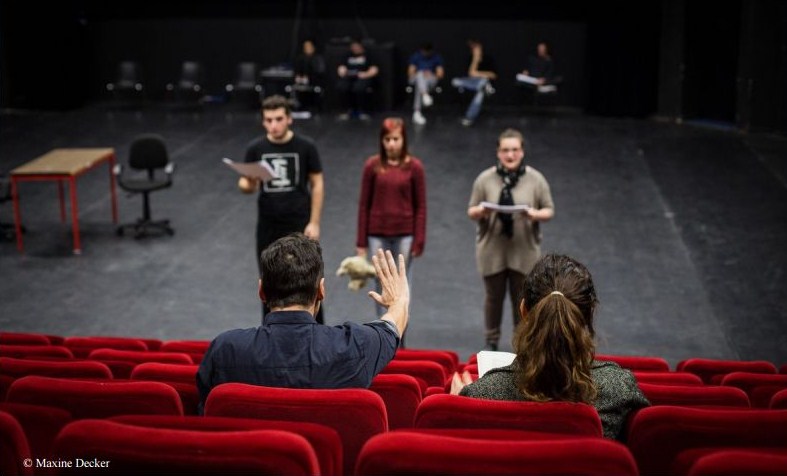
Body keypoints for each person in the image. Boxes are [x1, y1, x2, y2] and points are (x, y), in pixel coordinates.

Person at [197, 233, 410, 414]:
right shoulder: (356, 345)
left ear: (261, 291)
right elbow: (393, 328)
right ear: (321, 291)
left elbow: (205, 413)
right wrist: (398, 301)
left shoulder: (225, 350)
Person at [450, 253, 651, 441]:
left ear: (523, 311)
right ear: (589, 314)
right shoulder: (620, 390)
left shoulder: (480, 397)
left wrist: (456, 409)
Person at [467, 128, 554, 351]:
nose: (510, 155)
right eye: (505, 150)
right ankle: (491, 340)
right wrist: (481, 212)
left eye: (515, 150)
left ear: (522, 152)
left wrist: (534, 214)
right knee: (493, 298)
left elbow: (549, 210)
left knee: (523, 300)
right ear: (498, 152)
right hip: (493, 249)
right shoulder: (485, 179)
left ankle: (522, 342)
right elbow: (471, 210)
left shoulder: (536, 179)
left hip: (523, 250)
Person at [240, 94, 325, 322]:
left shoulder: (306, 146)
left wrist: (314, 221)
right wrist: (248, 182)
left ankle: (316, 330)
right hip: (268, 225)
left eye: (278, 119)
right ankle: (270, 330)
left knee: (309, 280)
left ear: (289, 119)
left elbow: (317, 183)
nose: (273, 125)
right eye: (268, 120)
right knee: (269, 282)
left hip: (299, 222)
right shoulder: (256, 148)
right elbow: (245, 185)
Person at [356, 117, 426, 347]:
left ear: (403, 139)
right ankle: (385, 331)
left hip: (405, 234)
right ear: (382, 141)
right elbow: (364, 204)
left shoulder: (414, 167)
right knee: (381, 283)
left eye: (396, 139)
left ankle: (400, 334)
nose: (392, 144)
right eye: (387, 139)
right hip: (377, 233)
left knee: (403, 283)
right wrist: (361, 243)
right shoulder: (372, 166)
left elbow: (421, 206)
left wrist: (419, 239)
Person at [450, 38, 497, 127]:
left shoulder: (488, 59)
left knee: (481, 90)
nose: (475, 50)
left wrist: (478, 74)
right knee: (455, 81)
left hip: (483, 81)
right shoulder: (469, 59)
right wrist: (475, 60)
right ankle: (484, 87)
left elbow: (493, 75)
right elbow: (470, 74)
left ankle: (469, 117)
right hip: (471, 82)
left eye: (477, 48)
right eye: (473, 49)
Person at [336, 39, 379, 121]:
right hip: (349, 77)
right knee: (342, 86)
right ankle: (347, 110)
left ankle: (362, 111)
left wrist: (366, 74)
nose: (355, 48)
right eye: (353, 46)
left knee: (359, 88)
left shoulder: (368, 55)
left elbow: (374, 69)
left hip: (363, 76)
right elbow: (341, 67)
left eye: (356, 46)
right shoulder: (347, 55)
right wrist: (342, 71)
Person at [407, 42, 444, 125]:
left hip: (430, 79)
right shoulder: (416, 56)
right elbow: (410, 72)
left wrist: (431, 74)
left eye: (428, 52)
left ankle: (417, 112)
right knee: (420, 76)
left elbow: (440, 74)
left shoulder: (436, 57)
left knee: (419, 86)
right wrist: (421, 73)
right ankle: (425, 95)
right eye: (424, 52)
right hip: (416, 77)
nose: (426, 54)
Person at [292, 39, 326, 114]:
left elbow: (319, 73)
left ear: (313, 47)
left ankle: (313, 108)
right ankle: (299, 107)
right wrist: (298, 77)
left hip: (314, 82)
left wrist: (309, 79)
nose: (307, 48)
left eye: (309, 46)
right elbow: (296, 71)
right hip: (301, 82)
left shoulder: (317, 59)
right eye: (305, 47)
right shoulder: (300, 58)